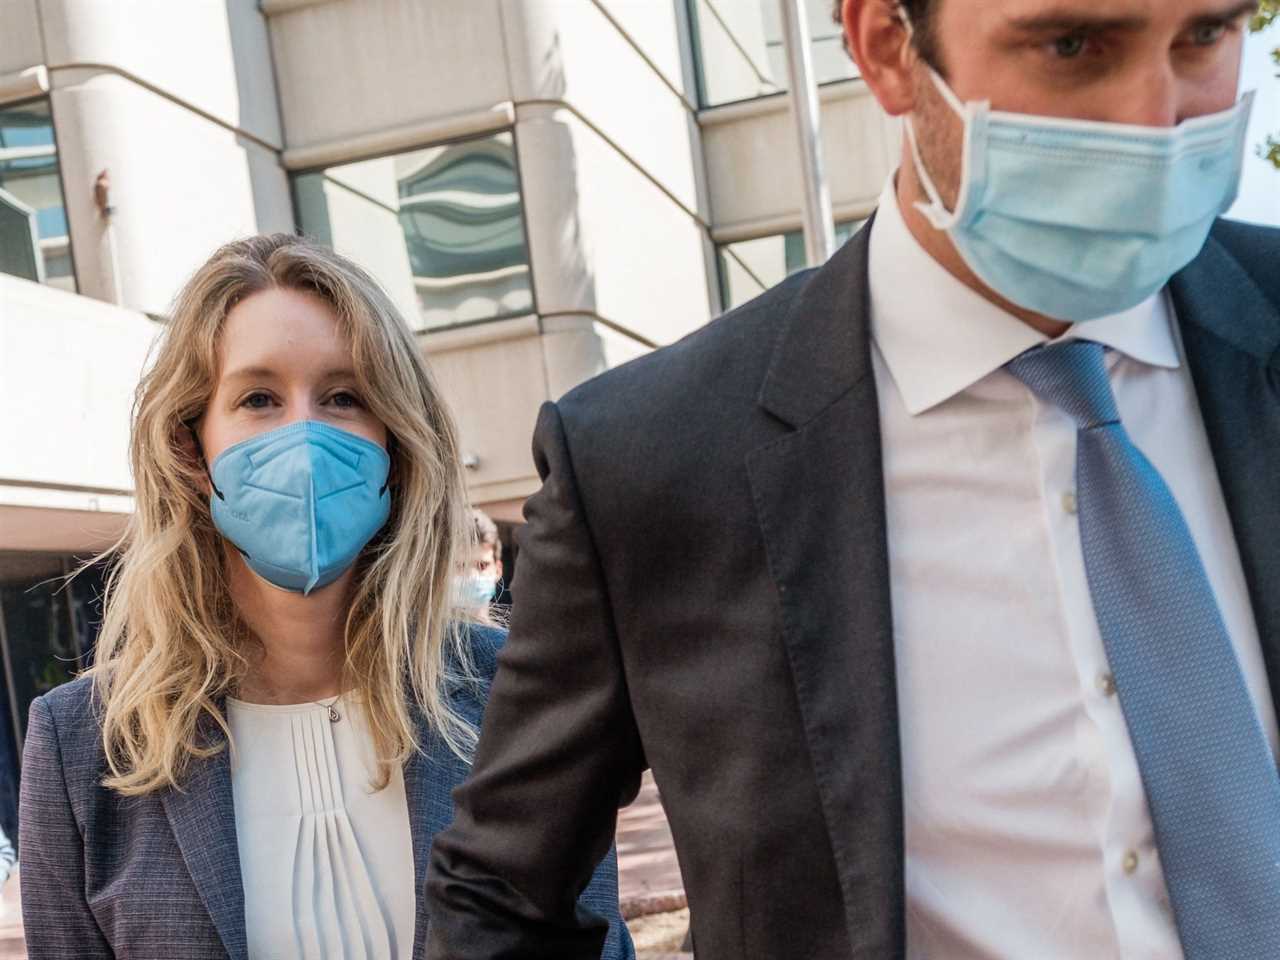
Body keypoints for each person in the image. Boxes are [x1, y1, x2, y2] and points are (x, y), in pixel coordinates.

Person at [425, 1, 1280, 957]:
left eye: (1203, 34)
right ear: (888, 48)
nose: (1153, 118)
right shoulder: (650, 458)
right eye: (1073, 46)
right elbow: (501, 899)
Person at [17, 234, 633, 959]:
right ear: (191, 450)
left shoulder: (518, 699)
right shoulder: (83, 746)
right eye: (258, 398)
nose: (303, 435)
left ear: (395, 445)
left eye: (343, 396)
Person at [457, 507, 504, 625]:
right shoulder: (425, 641)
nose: (473, 576)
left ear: (498, 570)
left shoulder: (511, 642)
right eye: (461, 565)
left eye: (482, 565)